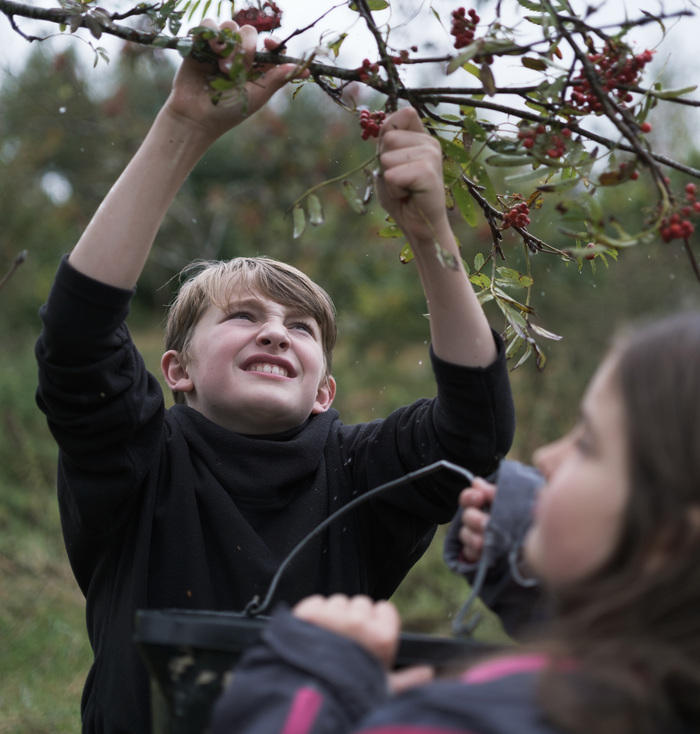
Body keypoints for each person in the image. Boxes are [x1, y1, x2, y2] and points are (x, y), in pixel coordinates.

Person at [34, 18, 515, 734]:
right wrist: (183, 127)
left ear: (325, 390)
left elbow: (473, 431)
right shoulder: (139, 464)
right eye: (242, 318)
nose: (272, 331)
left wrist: (430, 233)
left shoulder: (358, 475)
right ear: (177, 371)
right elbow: (77, 343)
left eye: (299, 328)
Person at [210, 310, 700, 734]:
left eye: (588, 442)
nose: (547, 455)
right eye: (242, 317)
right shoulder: (656, 687)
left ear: (670, 537)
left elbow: (469, 428)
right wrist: (531, 571)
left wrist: (310, 681)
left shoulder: (462, 721)